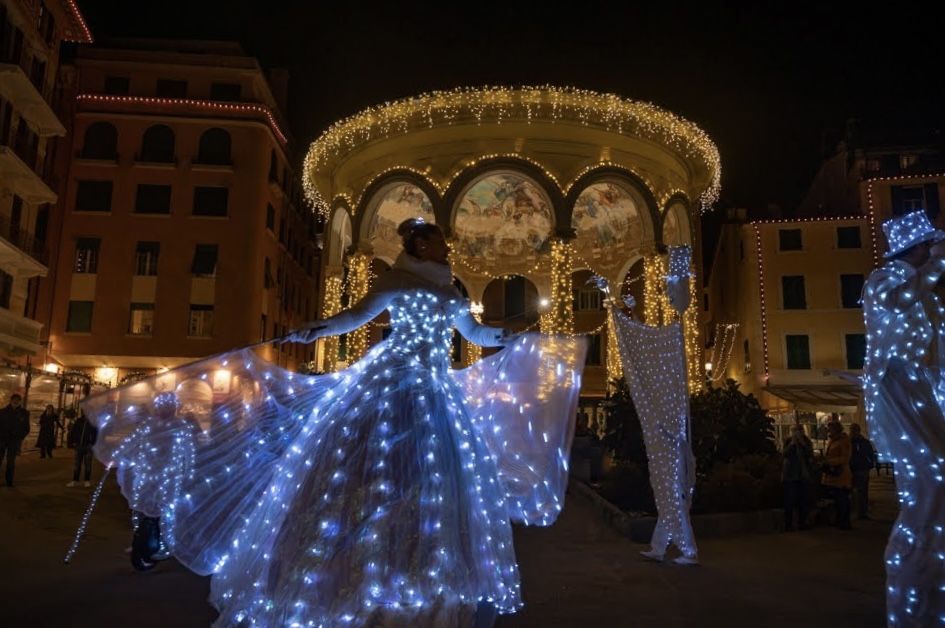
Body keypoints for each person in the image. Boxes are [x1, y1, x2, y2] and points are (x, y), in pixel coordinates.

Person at [80, 217, 587, 626]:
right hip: (397, 380)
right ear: (419, 245)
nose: (446, 249)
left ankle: (426, 568)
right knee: (372, 464)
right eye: (438, 242)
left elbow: (474, 331)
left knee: (439, 476)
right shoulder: (397, 280)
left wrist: (511, 338)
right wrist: (313, 330)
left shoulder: (452, 290)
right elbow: (355, 318)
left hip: (435, 386)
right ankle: (350, 570)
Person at [862, 210, 945, 625]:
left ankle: (928, 579)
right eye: (929, 246)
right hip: (896, 383)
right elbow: (896, 302)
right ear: (915, 250)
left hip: (920, 385)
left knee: (936, 481)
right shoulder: (883, 280)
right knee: (933, 478)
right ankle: (914, 576)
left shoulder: (927, 295)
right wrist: (936, 266)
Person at [782, 424, 815, 531]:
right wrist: (792, 444)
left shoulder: (806, 442)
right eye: (795, 431)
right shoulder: (788, 441)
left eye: (799, 430)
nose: (797, 433)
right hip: (790, 475)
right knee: (789, 501)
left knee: (803, 501)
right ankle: (788, 524)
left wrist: (803, 445)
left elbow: (810, 455)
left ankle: (802, 522)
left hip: (803, 475)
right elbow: (785, 454)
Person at [821, 421, 852, 530]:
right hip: (833, 475)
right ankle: (839, 520)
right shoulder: (832, 441)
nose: (829, 431)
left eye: (831, 429)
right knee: (838, 500)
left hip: (841, 474)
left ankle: (844, 522)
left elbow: (845, 458)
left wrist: (829, 462)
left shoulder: (843, 442)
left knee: (842, 499)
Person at [0, 393, 30, 487]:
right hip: (2, 439)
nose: (15, 401)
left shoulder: (24, 413)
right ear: (11, 400)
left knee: (11, 461)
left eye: (17, 400)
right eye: (14, 399)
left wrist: (19, 437)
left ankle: (9, 480)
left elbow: (26, 428)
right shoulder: (2, 412)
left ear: (19, 401)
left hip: (14, 440)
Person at [848, 423, 876, 520]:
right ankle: (859, 512)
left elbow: (870, 455)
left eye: (853, 430)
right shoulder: (850, 441)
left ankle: (861, 512)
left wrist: (869, 465)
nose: (851, 432)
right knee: (858, 491)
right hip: (855, 469)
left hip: (860, 469)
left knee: (861, 491)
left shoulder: (861, 442)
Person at [67, 409, 97, 487]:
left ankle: (87, 480)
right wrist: (73, 442)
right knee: (77, 464)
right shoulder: (79, 421)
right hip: (79, 445)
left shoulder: (92, 422)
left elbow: (96, 434)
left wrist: (92, 443)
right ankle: (75, 480)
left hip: (88, 446)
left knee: (88, 464)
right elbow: (73, 432)